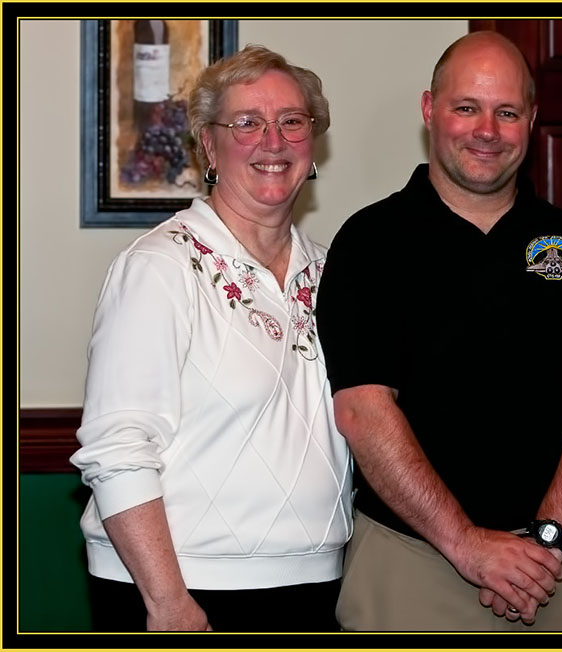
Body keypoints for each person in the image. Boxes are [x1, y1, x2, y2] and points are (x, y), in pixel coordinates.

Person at [315, 31, 562, 632]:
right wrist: (467, 544)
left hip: (559, 568)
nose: (486, 129)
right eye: (467, 107)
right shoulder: (370, 243)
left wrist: (547, 541)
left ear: (532, 119)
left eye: (507, 111)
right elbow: (363, 411)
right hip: (413, 564)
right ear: (429, 110)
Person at [69, 45, 352, 632]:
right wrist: (169, 602)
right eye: (246, 123)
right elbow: (116, 447)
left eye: (292, 122)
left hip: (317, 589)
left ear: (313, 143)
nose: (272, 142)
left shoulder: (333, 273)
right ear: (207, 145)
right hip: (183, 595)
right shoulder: (158, 268)